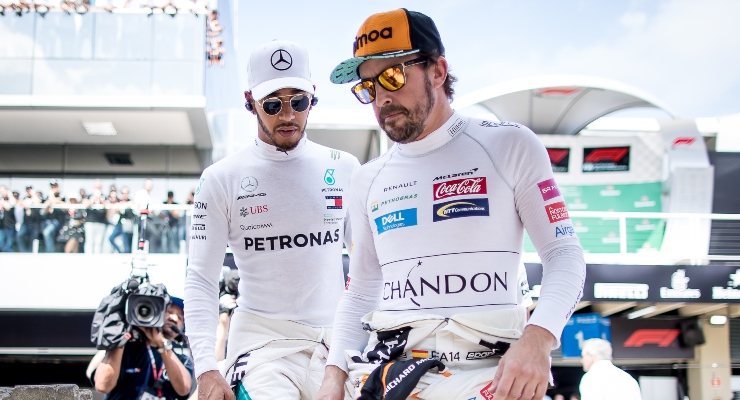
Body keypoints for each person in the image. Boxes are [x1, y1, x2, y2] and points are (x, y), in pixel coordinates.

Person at [317, 9, 586, 400]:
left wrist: (539, 338)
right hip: (397, 374)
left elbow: (564, 254)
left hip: (492, 374)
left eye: (392, 76)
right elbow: (360, 293)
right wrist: (333, 377)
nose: (382, 97)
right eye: (368, 87)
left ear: (438, 71)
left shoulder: (509, 144)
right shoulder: (366, 178)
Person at [184, 39, 360, 400]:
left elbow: (368, 268)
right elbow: (201, 279)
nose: (287, 114)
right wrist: (205, 368)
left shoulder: (344, 167)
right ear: (250, 103)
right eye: (273, 103)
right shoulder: (220, 178)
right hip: (262, 349)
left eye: (298, 101)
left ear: (313, 99)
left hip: (336, 344)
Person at [89, 297, 195, 400]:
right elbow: (102, 385)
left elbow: (183, 389)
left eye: (180, 317)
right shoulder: (127, 348)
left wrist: (162, 345)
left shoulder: (182, 360)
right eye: (169, 312)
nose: (174, 318)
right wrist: (122, 336)